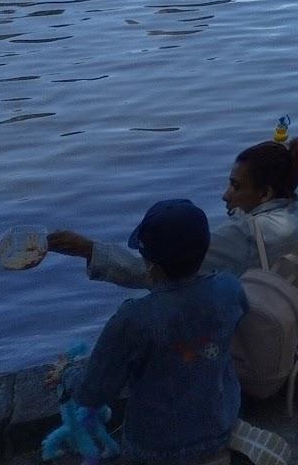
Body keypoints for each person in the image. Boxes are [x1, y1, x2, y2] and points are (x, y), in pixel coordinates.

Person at [49, 132, 298, 345]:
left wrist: (89, 250)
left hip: (279, 335)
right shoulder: (296, 208)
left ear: (265, 194)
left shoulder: (243, 233)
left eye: (235, 186)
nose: (225, 194)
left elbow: (157, 269)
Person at [67, 199, 245, 464]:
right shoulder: (230, 290)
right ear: (205, 248)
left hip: (153, 450)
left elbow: (93, 392)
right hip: (220, 427)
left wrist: (67, 375)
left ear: (151, 264)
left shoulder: (133, 319)